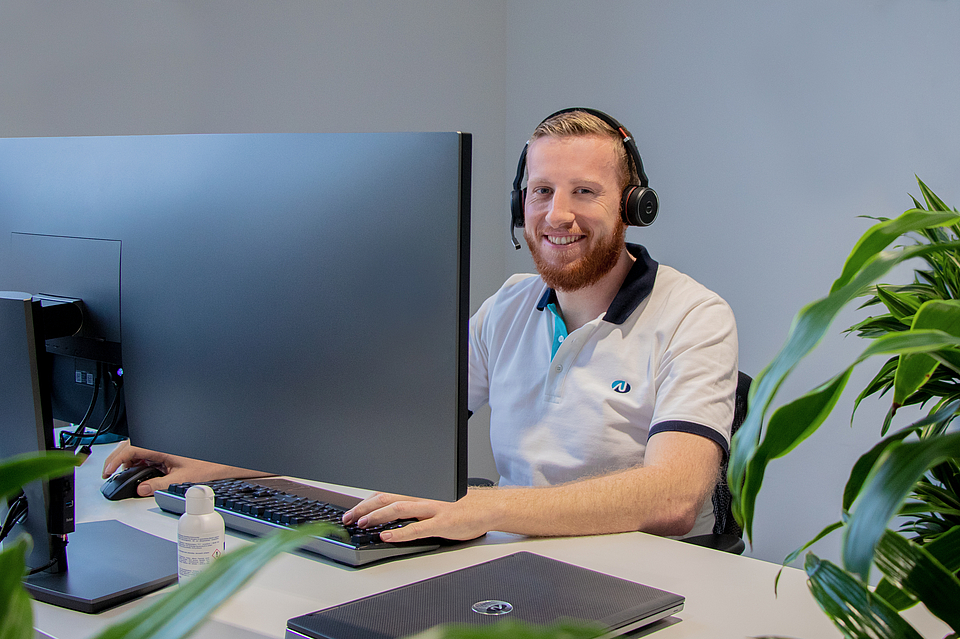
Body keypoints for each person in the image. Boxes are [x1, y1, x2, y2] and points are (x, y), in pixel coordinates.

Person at [103, 108, 737, 544]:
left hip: (650, 572)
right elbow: (389, 427)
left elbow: (673, 498)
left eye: (585, 192)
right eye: (541, 191)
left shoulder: (693, 316)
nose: (556, 215)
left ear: (633, 206)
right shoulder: (511, 305)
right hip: (519, 555)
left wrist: (485, 505)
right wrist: (221, 460)